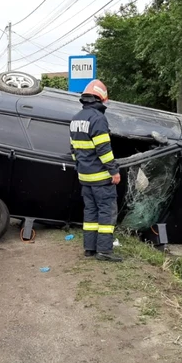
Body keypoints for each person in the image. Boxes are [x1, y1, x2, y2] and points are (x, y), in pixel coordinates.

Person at [69, 79, 122, 263]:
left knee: (90, 213)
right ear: (100, 99)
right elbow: (104, 150)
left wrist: (81, 168)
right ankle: (105, 251)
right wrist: (114, 171)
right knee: (106, 213)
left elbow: (74, 150)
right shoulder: (98, 119)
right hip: (101, 178)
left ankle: (89, 249)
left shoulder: (76, 119)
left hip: (84, 177)